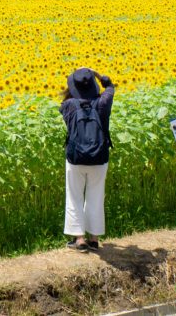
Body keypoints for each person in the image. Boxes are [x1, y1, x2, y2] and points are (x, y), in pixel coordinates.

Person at [60, 67, 115, 251]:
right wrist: (99, 75)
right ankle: (94, 239)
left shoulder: (68, 105)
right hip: (99, 157)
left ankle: (79, 239)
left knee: (74, 196)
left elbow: (63, 106)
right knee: (96, 196)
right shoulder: (103, 103)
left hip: (75, 158)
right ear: (92, 84)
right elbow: (110, 87)